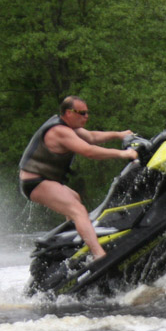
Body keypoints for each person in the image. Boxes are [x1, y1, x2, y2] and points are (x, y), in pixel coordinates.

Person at [19, 96, 137, 259]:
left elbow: (92, 137)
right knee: (78, 210)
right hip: (35, 182)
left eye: (87, 113)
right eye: (82, 113)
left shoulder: (69, 127)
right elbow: (89, 151)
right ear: (68, 113)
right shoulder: (60, 131)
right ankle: (99, 255)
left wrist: (120, 135)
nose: (86, 116)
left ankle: (72, 245)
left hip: (45, 180)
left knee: (75, 198)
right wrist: (122, 154)